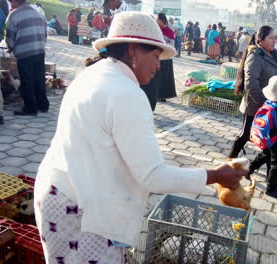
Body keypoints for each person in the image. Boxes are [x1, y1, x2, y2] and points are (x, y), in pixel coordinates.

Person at [34, 13, 245, 264]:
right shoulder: (127, 94)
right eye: (155, 57)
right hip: (82, 212)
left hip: (57, 194)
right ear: (133, 51)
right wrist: (215, 175)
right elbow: (152, 175)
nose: (158, 66)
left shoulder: (91, 75)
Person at [228, 25, 277, 159]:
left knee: (270, 137)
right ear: (260, 40)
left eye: (275, 38)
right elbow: (251, 83)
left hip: (269, 104)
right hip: (254, 104)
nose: (274, 41)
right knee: (245, 135)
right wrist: (263, 104)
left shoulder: (273, 54)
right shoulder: (256, 55)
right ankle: (230, 159)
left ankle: (274, 169)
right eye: (270, 38)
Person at [246, 76, 277, 199]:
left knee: (265, 154)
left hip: (265, 137)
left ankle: (248, 170)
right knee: (276, 163)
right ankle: (271, 188)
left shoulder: (267, 103)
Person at [6, 0, 49, 116]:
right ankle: (43, 105)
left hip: (24, 52)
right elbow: (45, 35)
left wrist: (10, 47)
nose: (11, 4)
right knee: (39, 78)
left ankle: (30, 108)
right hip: (39, 51)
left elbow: (10, 35)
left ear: (15, 1)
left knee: (27, 80)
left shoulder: (14, 15)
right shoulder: (38, 14)